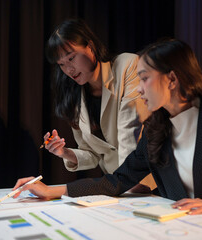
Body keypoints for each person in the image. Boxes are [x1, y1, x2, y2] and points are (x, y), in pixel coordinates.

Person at [14, 39, 202, 229]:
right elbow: (117, 181)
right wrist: (52, 191)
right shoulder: (156, 129)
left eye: (143, 78)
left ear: (173, 79)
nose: (138, 89)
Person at [43, 19, 149, 176]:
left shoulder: (126, 65)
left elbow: (131, 129)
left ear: (91, 47)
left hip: (145, 178)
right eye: (61, 64)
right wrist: (63, 152)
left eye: (71, 58)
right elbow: (91, 154)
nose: (69, 69)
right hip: (118, 183)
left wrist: (127, 179)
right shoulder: (74, 97)